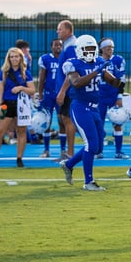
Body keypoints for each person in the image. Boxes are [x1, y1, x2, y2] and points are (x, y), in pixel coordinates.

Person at [59, 35, 122, 191]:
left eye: (92, 49)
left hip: (94, 108)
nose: (90, 52)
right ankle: (89, 182)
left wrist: (116, 73)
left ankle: (69, 164)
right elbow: (76, 83)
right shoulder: (72, 64)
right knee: (91, 145)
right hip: (80, 107)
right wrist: (96, 71)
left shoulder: (99, 62)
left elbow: (113, 82)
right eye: (87, 49)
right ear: (80, 50)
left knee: (97, 147)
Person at [0, 47, 36, 167]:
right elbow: (0, 89)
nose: (14, 59)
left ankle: (19, 158)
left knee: (21, 131)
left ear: (20, 58)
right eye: (12, 57)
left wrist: (21, 88)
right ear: (9, 58)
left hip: (22, 105)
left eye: (16, 56)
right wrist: (0, 104)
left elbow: (32, 90)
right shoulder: (4, 72)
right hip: (6, 104)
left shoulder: (26, 72)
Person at [97, 37, 129, 159]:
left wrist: (119, 96)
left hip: (113, 96)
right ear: (102, 49)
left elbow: (122, 80)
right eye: (108, 47)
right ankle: (99, 151)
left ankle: (118, 151)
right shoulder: (96, 60)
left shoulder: (118, 60)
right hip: (99, 97)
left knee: (118, 122)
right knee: (98, 124)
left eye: (112, 47)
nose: (111, 49)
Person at [37, 38, 64, 158]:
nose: (58, 47)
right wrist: (40, 93)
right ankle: (46, 150)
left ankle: (63, 150)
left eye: (60, 45)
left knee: (62, 121)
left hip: (60, 94)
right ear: (51, 47)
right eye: (56, 45)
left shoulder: (65, 59)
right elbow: (42, 77)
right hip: (48, 94)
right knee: (46, 122)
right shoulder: (45, 59)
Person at [55, 20, 77, 160]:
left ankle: (70, 153)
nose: (57, 31)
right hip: (67, 90)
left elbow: (71, 72)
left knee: (68, 120)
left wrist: (63, 91)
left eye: (60, 29)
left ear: (68, 30)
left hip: (69, 91)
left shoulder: (71, 47)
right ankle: (69, 152)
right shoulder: (67, 45)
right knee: (64, 119)